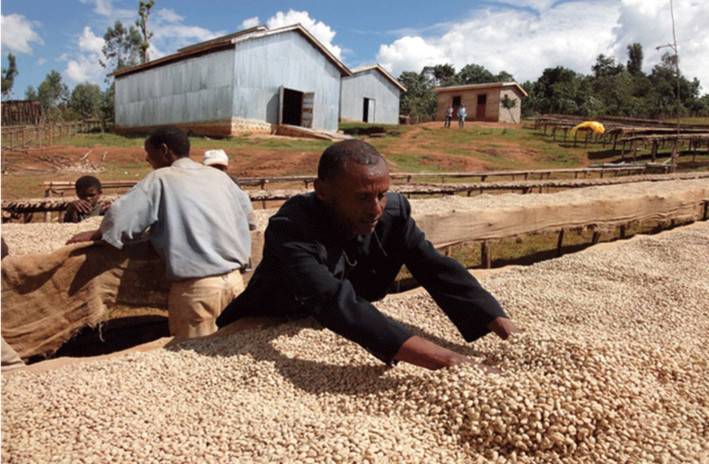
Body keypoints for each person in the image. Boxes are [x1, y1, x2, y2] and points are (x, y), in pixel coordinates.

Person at [218, 139, 521, 370]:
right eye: (362, 197)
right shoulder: (293, 226)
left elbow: (435, 268)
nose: (375, 208)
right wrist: (449, 361)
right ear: (323, 192)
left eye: (381, 194)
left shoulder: (393, 214)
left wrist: (506, 329)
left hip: (337, 320)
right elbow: (330, 298)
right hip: (269, 319)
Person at [67, 126, 254, 338]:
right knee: (226, 356)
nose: (148, 160)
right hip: (236, 285)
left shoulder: (161, 179)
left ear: (164, 150)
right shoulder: (222, 179)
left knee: (193, 356)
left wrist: (98, 233)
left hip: (198, 291)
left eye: (149, 154)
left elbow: (122, 219)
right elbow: (249, 221)